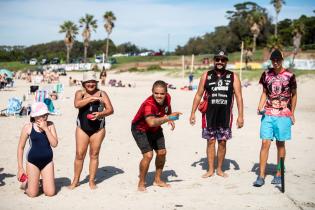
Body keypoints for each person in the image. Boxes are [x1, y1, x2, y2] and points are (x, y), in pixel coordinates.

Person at [189, 50, 244, 178]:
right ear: (214, 60)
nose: (220, 62)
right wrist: (192, 113)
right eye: (217, 59)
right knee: (210, 142)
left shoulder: (233, 76)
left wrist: (241, 116)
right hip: (209, 116)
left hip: (225, 116)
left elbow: (239, 97)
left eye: (223, 60)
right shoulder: (206, 75)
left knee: (223, 142)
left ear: (226, 62)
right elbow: (198, 95)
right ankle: (210, 170)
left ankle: (219, 169)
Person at [253, 49, 297, 187]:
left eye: (278, 60)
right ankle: (261, 175)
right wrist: (259, 106)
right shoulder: (266, 74)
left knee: (280, 143)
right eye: (273, 60)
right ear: (271, 61)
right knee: (265, 142)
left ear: (282, 60)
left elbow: (294, 95)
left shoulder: (290, 75)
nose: (276, 62)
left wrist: (292, 113)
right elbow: (265, 93)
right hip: (269, 112)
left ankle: (279, 173)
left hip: (283, 113)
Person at [131, 80, 182, 191]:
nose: (159, 96)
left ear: (166, 93)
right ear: (152, 92)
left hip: (155, 129)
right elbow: (151, 122)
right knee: (148, 155)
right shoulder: (148, 105)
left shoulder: (168, 97)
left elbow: (167, 109)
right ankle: (141, 182)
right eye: (156, 93)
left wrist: (169, 117)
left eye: (162, 94)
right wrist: (169, 118)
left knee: (162, 152)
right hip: (140, 129)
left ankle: (157, 180)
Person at [69, 71, 114, 190]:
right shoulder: (79, 93)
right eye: (88, 82)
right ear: (83, 83)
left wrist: (100, 114)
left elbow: (110, 110)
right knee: (79, 155)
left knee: (94, 154)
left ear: (96, 83)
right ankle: (76, 180)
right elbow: (77, 104)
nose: (90, 84)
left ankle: (91, 181)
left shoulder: (102, 94)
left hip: (98, 129)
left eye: (93, 82)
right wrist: (91, 99)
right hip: (82, 129)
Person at [17, 102, 58, 197]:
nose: (44, 117)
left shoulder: (50, 125)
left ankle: (38, 181)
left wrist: (46, 129)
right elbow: (20, 147)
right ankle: (27, 182)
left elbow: (54, 144)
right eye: (41, 115)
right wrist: (20, 168)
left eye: (46, 115)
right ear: (34, 116)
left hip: (47, 162)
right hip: (32, 162)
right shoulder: (28, 127)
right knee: (32, 194)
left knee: (50, 193)